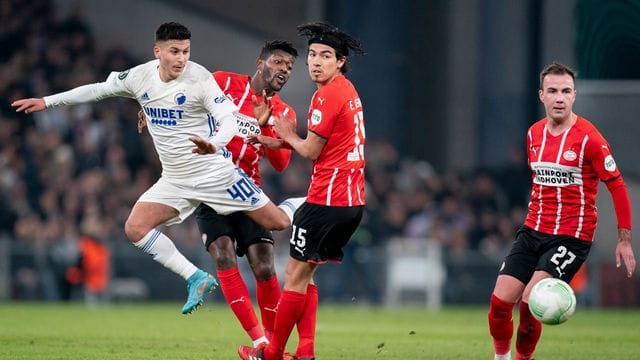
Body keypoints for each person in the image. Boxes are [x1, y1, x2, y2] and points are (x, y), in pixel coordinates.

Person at [11, 22, 302, 315]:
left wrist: (219, 142)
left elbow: (230, 122)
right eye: (174, 51)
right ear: (158, 52)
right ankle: (197, 279)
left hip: (218, 175)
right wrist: (48, 101)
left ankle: (303, 200)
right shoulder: (149, 77)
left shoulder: (207, 80)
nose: (181, 59)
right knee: (136, 228)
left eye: (186, 51)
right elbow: (99, 90)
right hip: (176, 178)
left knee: (277, 225)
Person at [139, 39, 299, 346]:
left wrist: (265, 127)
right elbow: (184, 91)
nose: (284, 70)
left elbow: (281, 163)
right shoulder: (224, 81)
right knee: (223, 255)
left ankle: (275, 345)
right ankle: (259, 343)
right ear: (260, 63)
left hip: (247, 190)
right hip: (209, 185)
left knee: (264, 265)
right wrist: (153, 106)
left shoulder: (284, 113)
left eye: (290, 67)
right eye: (278, 62)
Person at [487, 62, 636, 360]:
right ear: (541, 95)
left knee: (531, 300)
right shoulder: (533, 135)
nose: (559, 97)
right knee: (499, 304)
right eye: (553, 91)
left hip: (571, 236)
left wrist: (624, 239)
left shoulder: (589, 139)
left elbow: (617, 185)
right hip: (532, 230)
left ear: (574, 96)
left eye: (566, 91)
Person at [237, 21, 366, 360]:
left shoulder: (327, 94)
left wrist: (287, 133)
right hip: (350, 203)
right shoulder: (347, 90)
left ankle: (272, 354)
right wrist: (276, 139)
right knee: (306, 275)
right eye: (312, 55)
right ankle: (305, 353)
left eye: (325, 56)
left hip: (325, 200)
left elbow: (310, 151)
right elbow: (324, 145)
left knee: (294, 276)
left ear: (340, 61)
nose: (315, 62)